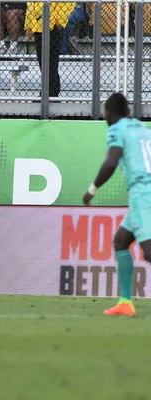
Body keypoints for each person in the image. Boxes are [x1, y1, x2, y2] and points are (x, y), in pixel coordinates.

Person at [83, 92, 151, 317]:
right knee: (121, 240)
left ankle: (126, 302)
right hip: (143, 194)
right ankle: (125, 302)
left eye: (105, 114)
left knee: (149, 252)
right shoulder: (143, 128)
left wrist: (92, 189)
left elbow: (111, 162)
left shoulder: (117, 129)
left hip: (143, 194)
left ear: (109, 114)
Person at [24, 1, 74, 97]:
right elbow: (30, 6)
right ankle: (52, 90)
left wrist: (59, 21)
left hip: (53, 27)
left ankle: (48, 92)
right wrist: (29, 27)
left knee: (51, 61)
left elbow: (69, 3)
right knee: (42, 62)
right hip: (38, 26)